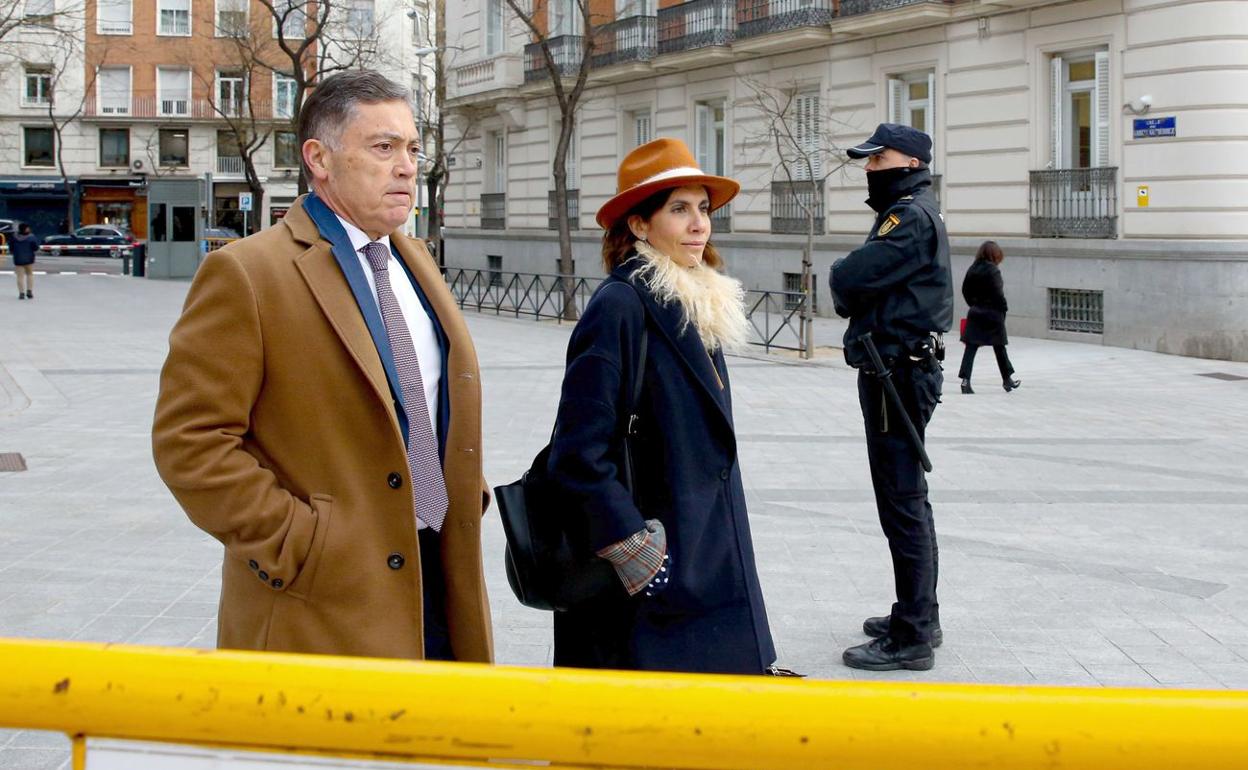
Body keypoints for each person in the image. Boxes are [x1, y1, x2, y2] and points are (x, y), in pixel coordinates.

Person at [152, 71, 493, 662]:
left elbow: (426, 400)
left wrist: (461, 488)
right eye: (383, 147)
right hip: (323, 601)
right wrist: (301, 545)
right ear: (319, 159)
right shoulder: (248, 273)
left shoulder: (416, 260)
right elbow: (189, 442)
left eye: (413, 149)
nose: (407, 167)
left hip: (440, 576)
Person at [546, 137, 779, 675]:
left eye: (704, 208)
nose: (699, 225)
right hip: (652, 564)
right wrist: (635, 548)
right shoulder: (621, 305)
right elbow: (577, 452)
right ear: (638, 225)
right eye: (679, 209)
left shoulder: (695, 303)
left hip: (705, 547)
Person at [829, 123, 952, 671]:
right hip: (899, 368)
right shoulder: (911, 211)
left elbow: (851, 279)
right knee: (908, 498)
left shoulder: (910, 217)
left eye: (878, 160)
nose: (868, 168)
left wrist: (842, 274)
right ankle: (919, 613)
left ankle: (913, 636)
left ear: (909, 163)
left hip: (897, 373)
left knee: (901, 501)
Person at [958, 240, 1020, 394]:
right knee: (999, 347)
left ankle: (965, 381)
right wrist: (1003, 308)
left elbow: (965, 290)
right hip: (993, 314)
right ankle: (1007, 379)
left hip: (976, 313)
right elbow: (998, 293)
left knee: (971, 348)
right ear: (995, 255)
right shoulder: (993, 271)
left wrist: (973, 305)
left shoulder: (972, 269)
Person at [9, 223, 38, 300]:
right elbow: (35, 248)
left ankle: (21, 293)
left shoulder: (14, 237)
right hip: (29, 259)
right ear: (25, 229)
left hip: (18, 259)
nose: (29, 229)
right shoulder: (31, 237)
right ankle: (29, 291)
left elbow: (11, 248)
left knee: (20, 276)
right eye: (28, 228)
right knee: (30, 275)